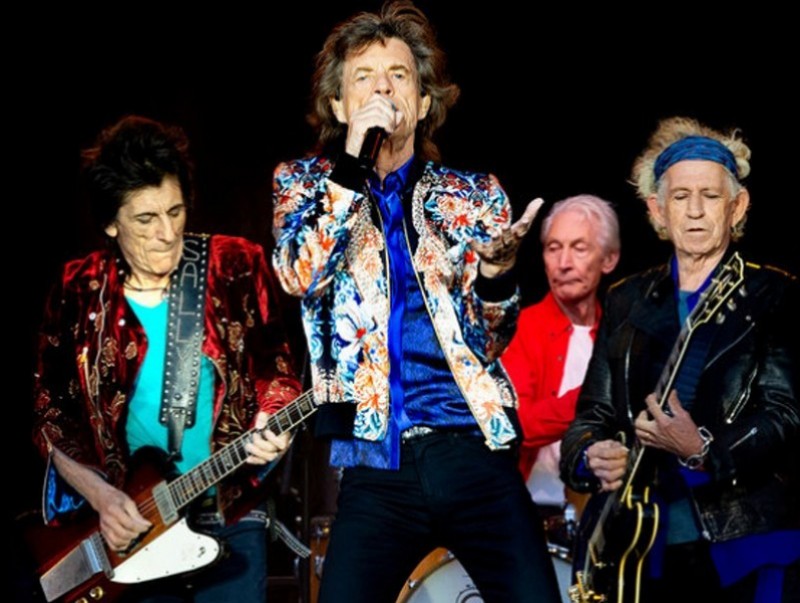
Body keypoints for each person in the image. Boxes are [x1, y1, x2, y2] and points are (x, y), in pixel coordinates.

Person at [271, 2, 560, 601]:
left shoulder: (472, 195)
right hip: (376, 464)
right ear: (339, 106)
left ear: (424, 102)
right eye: (364, 77)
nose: (383, 88)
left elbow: (489, 340)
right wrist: (351, 166)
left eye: (398, 75)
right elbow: (300, 274)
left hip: (471, 448)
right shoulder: (303, 185)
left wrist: (496, 277)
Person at [32, 115, 302, 602]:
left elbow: (276, 369)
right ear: (111, 223)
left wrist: (273, 418)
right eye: (145, 219)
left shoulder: (234, 264)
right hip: (133, 532)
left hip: (230, 513)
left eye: (175, 212)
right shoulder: (79, 288)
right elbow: (51, 415)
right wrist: (102, 497)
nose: (166, 233)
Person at [560, 117, 799, 602]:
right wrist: (590, 455)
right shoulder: (626, 298)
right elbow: (591, 415)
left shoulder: (773, 294)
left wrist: (703, 448)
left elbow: (785, 414)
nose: (694, 211)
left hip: (740, 541)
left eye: (710, 196)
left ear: (737, 206)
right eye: (681, 197)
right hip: (634, 546)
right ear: (657, 209)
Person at [501, 195, 619, 511]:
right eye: (554, 248)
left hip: (605, 511)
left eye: (579, 248)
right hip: (530, 507)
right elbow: (515, 425)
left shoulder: (620, 336)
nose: (563, 263)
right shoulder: (519, 329)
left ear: (609, 259)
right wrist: (595, 399)